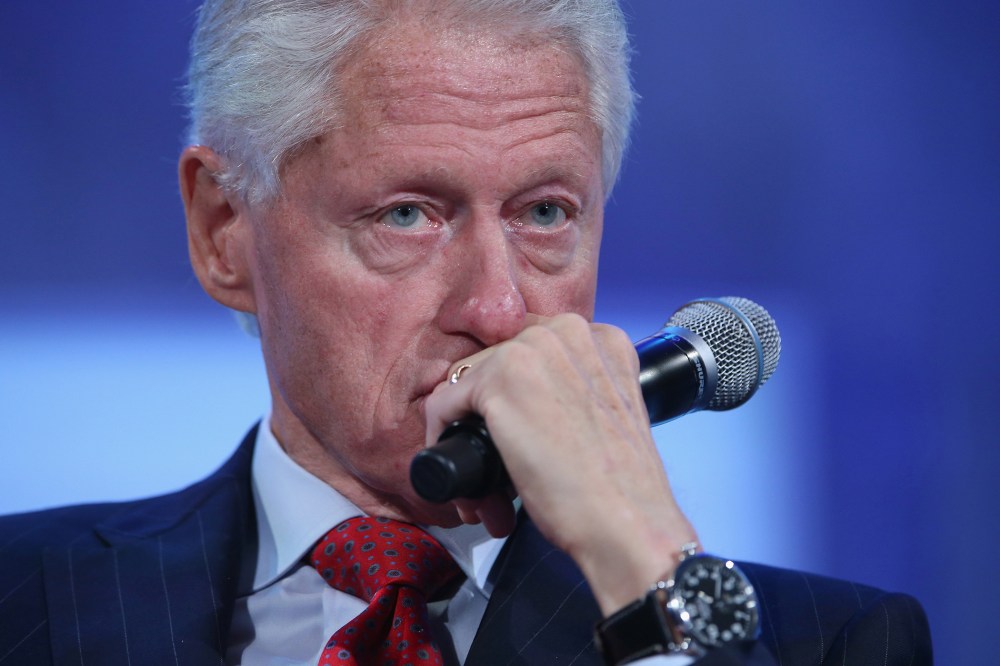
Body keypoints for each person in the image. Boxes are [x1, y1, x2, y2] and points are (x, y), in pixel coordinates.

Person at [0, 1, 932, 664]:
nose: (498, 309)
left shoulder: (836, 644)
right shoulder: (20, 598)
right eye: (407, 215)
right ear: (224, 230)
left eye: (545, 213)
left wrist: (641, 557)